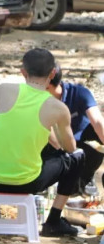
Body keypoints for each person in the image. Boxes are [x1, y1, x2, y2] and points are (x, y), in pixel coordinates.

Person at [0, 48, 84, 237]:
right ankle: (54, 221)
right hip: (28, 183)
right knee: (78, 157)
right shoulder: (58, 108)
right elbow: (70, 149)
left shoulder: (4, 90)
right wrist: (54, 126)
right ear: (53, 73)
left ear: (23, 72)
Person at [46, 64, 104, 194]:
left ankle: (86, 178)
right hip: (55, 146)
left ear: (47, 83)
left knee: (96, 137)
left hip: (82, 145)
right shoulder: (37, 99)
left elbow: (98, 121)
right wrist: (63, 150)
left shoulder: (79, 93)